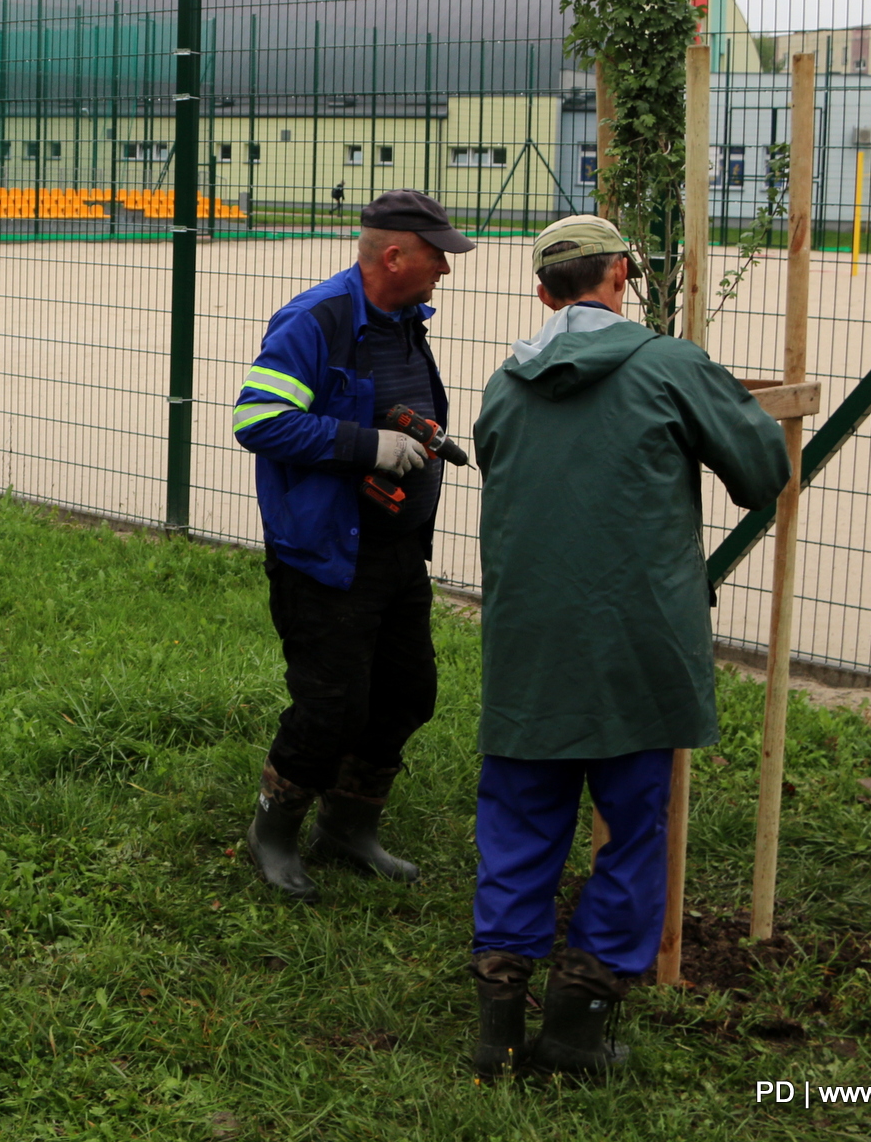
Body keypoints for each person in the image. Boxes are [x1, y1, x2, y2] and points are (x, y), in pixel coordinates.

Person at [468, 214, 791, 1074]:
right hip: (638, 647)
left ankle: (496, 1023)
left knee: (518, 821)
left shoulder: (505, 384)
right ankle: (577, 1027)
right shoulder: (671, 366)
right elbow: (763, 474)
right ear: (622, 275)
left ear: (544, 292)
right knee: (633, 829)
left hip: (527, 646)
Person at [233, 189, 475, 902]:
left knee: (407, 693)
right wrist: (369, 445)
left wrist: (423, 435)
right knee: (331, 706)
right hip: (326, 556)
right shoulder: (318, 320)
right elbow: (259, 418)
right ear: (394, 255)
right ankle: (272, 832)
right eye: (438, 257)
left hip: (399, 553)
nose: (447, 272)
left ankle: (348, 827)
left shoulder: (403, 323)